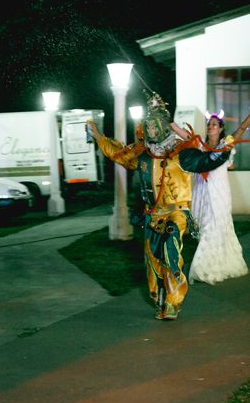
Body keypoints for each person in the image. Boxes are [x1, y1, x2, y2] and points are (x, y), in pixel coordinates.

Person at [86, 90, 232, 321]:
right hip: (151, 216)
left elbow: (207, 160)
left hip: (177, 212)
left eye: (155, 126)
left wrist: (224, 149)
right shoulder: (142, 154)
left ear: (164, 126)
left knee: (170, 251)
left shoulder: (181, 153)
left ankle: (174, 302)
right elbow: (117, 154)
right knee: (153, 262)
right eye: (149, 126)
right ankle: (160, 301)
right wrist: (98, 136)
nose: (151, 130)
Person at [171, 93, 250, 284]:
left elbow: (242, 128)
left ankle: (204, 270)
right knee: (203, 228)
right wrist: (172, 126)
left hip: (218, 191)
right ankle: (221, 263)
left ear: (221, 128)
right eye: (209, 124)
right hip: (201, 190)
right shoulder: (199, 145)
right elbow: (186, 138)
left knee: (212, 228)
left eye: (214, 125)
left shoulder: (226, 145)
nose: (210, 127)